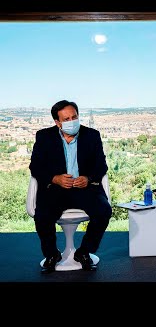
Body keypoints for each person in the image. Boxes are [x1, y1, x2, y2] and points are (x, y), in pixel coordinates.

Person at [29, 100, 112, 273]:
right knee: (42, 215)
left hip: (84, 188)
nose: (72, 121)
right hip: (57, 189)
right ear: (57, 122)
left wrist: (88, 178)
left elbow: (101, 166)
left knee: (103, 211)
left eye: (74, 117)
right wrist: (55, 178)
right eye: (66, 119)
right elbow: (35, 167)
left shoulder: (92, 135)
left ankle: (84, 252)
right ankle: (52, 254)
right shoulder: (44, 136)